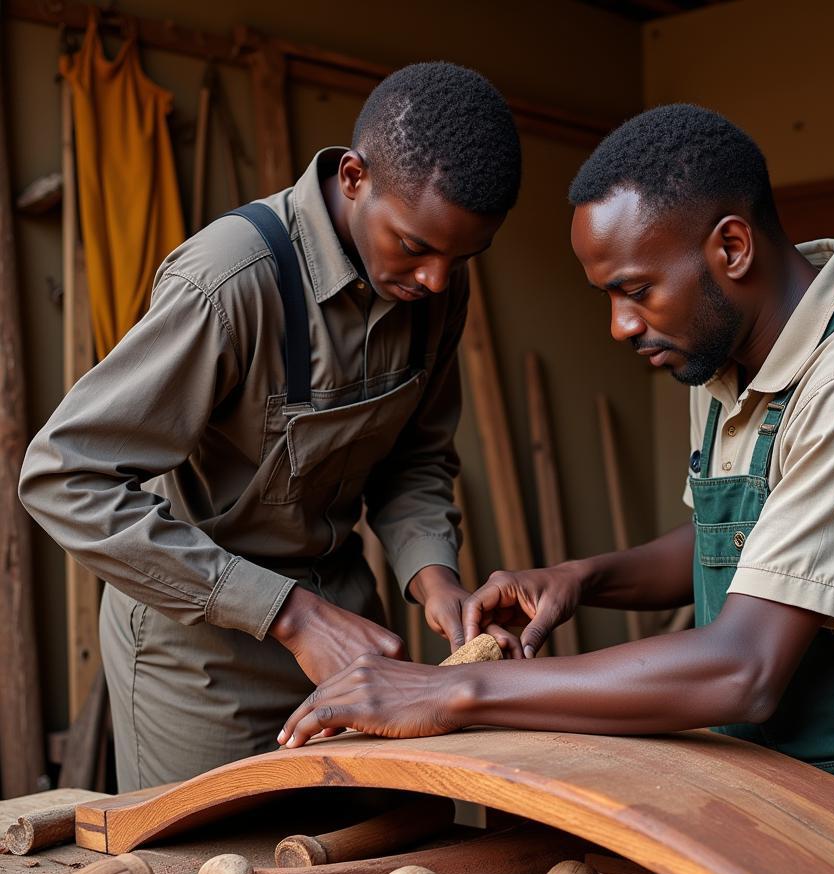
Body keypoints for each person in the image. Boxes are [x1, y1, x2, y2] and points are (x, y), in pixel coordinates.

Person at [277, 104, 834, 842]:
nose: (620, 327)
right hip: (773, 773)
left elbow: (743, 669)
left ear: (731, 247)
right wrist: (584, 577)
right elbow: (743, 546)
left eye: (636, 289)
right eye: (609, 298)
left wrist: (453, 690)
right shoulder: (724, 363)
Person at [20, 62, 522, 791]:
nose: (438, 281)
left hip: (349, 633)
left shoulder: (436, 283)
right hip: (201, 658)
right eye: (416, 247)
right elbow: (63, 477)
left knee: (375, 858)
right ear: (354, 177)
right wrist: (286, 614)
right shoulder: (230, 281)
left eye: (462, 257)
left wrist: (434, 580)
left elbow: (414, 458)